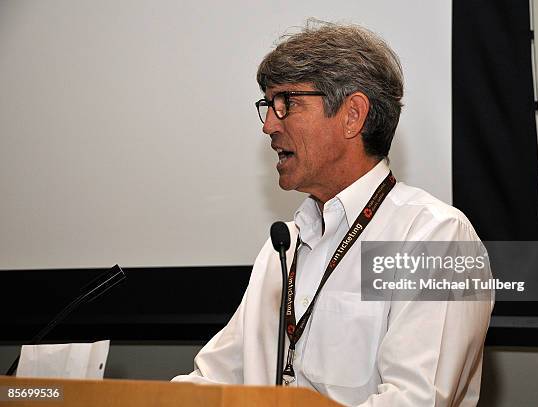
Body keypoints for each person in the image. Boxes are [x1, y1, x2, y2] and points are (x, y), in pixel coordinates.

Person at [173, 20, 493, 406]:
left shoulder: (433, 237)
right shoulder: (284, 246)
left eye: (285, 103)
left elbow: (414, 400)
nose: (269, 125)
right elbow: (214, 379)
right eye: (268, 105)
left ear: (352, 114)